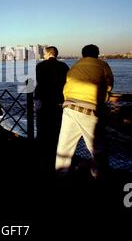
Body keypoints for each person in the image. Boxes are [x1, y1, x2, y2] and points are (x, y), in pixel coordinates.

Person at [55, 44, 114, 178]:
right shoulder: (102, 65)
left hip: (69, 106)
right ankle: (98, 174)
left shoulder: (75, 65)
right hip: (90, 108)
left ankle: (60, 173)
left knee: (65, 145)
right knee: (97, 147)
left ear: (82, 54)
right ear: (97, 54)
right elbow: (109, 86)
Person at [34, 46, 69, 173]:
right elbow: (67, 82)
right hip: (57, 100)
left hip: (42, 99)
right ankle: (56, 152)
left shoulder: (40, 66)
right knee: (56, 126)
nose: (43, 55)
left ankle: (41, 154)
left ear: (49, 53)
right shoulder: (64, 66)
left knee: (41, 125)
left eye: (44, 53)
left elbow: (40, 81)